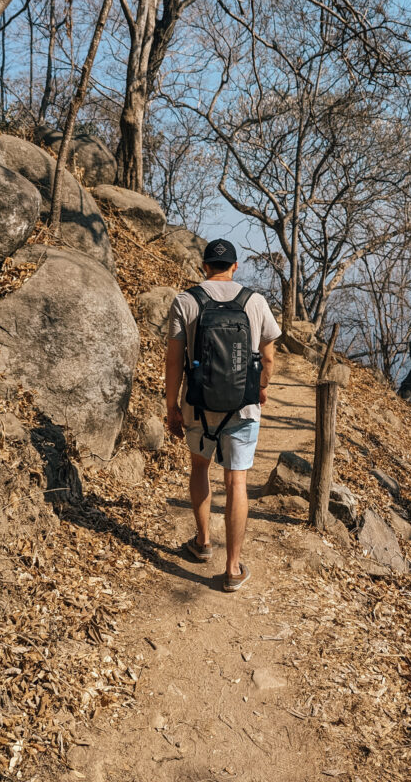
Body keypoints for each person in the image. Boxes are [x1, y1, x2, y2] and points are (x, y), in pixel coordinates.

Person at [166, 238, 281, 592]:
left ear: (203, 267)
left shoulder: (185, 301)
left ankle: (202, 542)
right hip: (243, 408)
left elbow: (173, 361)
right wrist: (260, 387)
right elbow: (270, 358)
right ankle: (232, 569)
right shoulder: (255, 301)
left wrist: (172, 406)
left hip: (198, 404)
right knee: (237, 481)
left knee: (200, 467)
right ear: (235, 267)